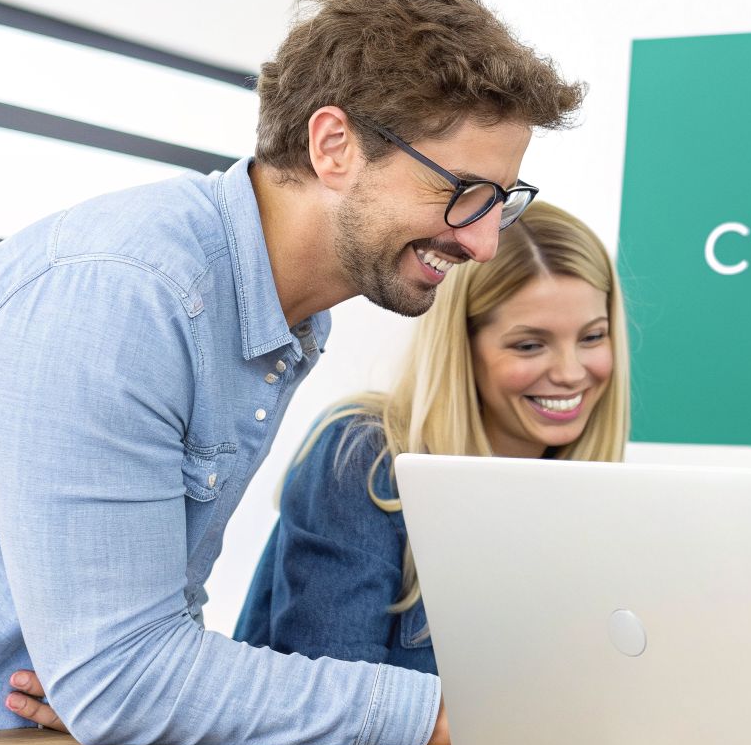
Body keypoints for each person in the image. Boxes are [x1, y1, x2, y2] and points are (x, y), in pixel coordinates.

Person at [0, 0, 584, 745]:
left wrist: (143, 691)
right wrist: (462, 714)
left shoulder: (286, 315)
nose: (482, 242)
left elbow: (136, 661)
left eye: (501, 201)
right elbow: (123, 678)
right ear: (333, 145)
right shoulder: (125, 295)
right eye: (463, 192)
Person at [235, 202, 628, 671]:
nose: (570, 373)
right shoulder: (366, 457)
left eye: (592, 337)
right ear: (462, 347)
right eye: (529, 345)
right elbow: (333, 705)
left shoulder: (596, 500)